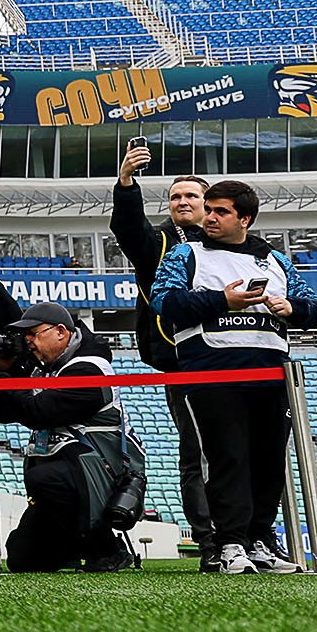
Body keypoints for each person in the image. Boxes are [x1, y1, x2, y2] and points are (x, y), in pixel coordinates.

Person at [152, 179, 317, 575]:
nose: (209, 217)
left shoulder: (274, 260)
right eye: (208, 208)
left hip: (270, 375)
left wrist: (290, 307)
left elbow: (315, 308)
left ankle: (260, 540)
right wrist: (221, 300)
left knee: (267, 462)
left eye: (220, 211)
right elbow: (165, 302)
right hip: (212, 371)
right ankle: (230, 544)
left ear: (244, 218)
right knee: (226, 458)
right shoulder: (186, 253)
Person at [0, 303, 143, 573]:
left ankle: (106, 548)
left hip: (102, 474)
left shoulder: (89, 369)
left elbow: (37, 412)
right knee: (23, 560)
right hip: (71, 474)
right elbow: (4, 411)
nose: (28, 342)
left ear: (60, 332)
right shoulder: (48, 369)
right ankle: (71, 547)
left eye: (33, 334)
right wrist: (5, 370)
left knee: (43, 478)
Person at [112, 153, 216, 565]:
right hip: (185, 363)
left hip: (233, 360)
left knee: (240, 452)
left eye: (192, 195)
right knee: (198, 452)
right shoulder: (157, 243)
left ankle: (251, 538)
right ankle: (211, 543)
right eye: (175, 196)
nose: (182, 201)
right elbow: (127, 229)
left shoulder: (227, 245)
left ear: (210, 204)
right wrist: (125, 185)